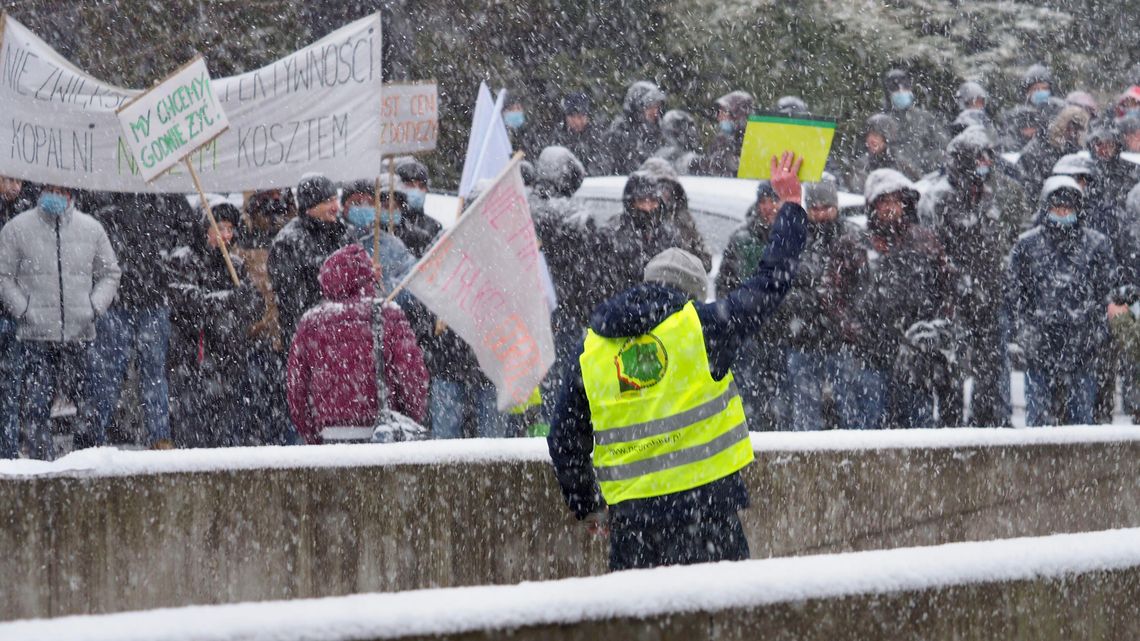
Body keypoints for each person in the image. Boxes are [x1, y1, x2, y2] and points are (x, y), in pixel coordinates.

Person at [548, 152, 807, 571]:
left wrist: (588, 504)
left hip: (633, 529)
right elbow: (771, 282)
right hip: (708, 520)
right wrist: (791, 207)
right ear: (691, 294)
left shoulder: (594, 350)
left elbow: (563, 438)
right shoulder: (702, 329)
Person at [0, 185, 120, 459]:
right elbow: (3, 275)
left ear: (70, 194)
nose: (56, 196)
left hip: (81, 333)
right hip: (35, 336)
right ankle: (43, 467)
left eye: (61, 190)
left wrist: (93, 306)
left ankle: (87, 461)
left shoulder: (91, 228)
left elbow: (110, 273)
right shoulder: (17, 228)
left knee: (92, 403)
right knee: (35, 407)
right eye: (51, 189)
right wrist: (24, 309)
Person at [918, 128, 1026, 427]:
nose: (987, 163)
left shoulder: (990, 193)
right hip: (951, 298)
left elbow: (1000, 242)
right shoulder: (938, 198)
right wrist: (956, 283)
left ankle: (986, 424)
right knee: (950, 365)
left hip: (988, 295)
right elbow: (932, 252)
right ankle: (951, 429)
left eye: (989, 156)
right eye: (980, 157)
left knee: (989, 366)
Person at [839, 169, 957, 429]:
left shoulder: (926, 242)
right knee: (871, 430)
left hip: (916, 356)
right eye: (884, 202)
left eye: (895, 201)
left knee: (918, 429)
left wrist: (936, 328)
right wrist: (852, 329)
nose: (890, 208)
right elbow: (834, 292)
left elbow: (948, 286)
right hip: (870, 355)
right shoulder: (855, 244)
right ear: (872, 206)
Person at [287, 244, 427, 444]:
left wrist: (312, 435)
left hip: (330, 435)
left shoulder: (310, 322)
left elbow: (297, 388)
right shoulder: (387, 314)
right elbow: (411, 375)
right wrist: (409, 417)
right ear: (367, 275)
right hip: (382, 432)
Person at [1007, 176, 1116, 426]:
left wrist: (1095, 332)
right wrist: (1026, 330)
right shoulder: (1027, 245)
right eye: (1058, 207)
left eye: (1069, 208)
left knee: (1082, 419)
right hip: (1040, 342)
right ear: (1047, 208)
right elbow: (1015, 293)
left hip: (1082, 344)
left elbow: (1105, 292)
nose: (1063, 213)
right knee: (1038, 420)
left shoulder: (1096, 244)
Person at [83, 193, 178, 450]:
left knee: (144, 376)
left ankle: (155, 438)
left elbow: (183, 239)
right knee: (109, 377)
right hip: (120, 300)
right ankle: (96, 440)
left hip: (146, 299)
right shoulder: (107, 196)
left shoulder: (164, 198)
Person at [166, 203, 265, 448]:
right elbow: (187, 302)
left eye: (230, 229)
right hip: (193, 362)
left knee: (227, 436)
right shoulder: (183, 260)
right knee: (192, 436)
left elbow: (255, 308)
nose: (226, 235)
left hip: (228, 362)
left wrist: (248, 301)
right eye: (219, 228)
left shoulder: (235, 265)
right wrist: (228, 300)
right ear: (204, 229)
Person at [775, 178, 868, 431]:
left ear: (836, 206)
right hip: (803, 337)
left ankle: (855, 455)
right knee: (805, 409)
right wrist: (805, 303)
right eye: (815, 208)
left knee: (850, 405)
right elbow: (782, 283)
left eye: (827, 207)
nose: (821, 213)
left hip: (842, 339)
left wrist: (845, 314)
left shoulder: (853, 237)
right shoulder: (797, 237)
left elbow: (863, 286)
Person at [716, 180, 789, 429]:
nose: (770, 207)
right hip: (747, 337)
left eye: (775, 200)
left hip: (784, 335)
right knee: (747, 400)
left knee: (782, 403)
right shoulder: (741, 239)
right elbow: (724, 286)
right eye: (765, 201)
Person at [268, 174, 347, 344]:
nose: (335, 207)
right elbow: (291, 302)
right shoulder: (288, 242)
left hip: (345, 335)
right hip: (311, 338)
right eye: (327, 201)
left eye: (335, 199)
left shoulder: (342, 232)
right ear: (309, 207)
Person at [340, 179, 416, 296]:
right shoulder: (332, 239)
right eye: (357, 203)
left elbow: (411, 280)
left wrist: (382, 287)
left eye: (369, 203)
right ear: (344, 206)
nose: (364, 207)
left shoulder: (391, 244)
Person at [879, 68, 947, 174]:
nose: (901, 92)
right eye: (895, 89)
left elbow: (942, 145)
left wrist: (929, 162)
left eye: (905, 87)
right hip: (895, 180)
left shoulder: (925, 117)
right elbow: (875, 154)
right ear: (888, 94)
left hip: (927, 179)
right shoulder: (881, 122)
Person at [1016, 105, 1090, 202]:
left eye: (1078, 128)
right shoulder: (1038, 149)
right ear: (1062, 125)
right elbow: (1030, 184)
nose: (1073, 132)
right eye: (1071, 126)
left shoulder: (1080, 154)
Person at [601, 80, 666, 175]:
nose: (655, 112)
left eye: (657, 107)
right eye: (649, 107)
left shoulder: (660, 130)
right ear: (638, 108)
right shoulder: (619, 132)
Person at [843, 114, 921, 192]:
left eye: (876, 135)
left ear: (886, 139)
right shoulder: (859, 166)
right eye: (868, 136)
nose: (870, 140)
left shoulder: (904, 165)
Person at [393, 159, 443, 258]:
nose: (416, 191)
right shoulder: (390, 221)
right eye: (410, 185)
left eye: (421, 186)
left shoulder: (434, 227)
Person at [549, 92, 606, 175]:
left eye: (580, 116)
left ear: (587, 117)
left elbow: (601, 168)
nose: (577, 122)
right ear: (565, 117)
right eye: (572, 117)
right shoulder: (558, 136)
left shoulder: (597, 137)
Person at [702, 90, 754, 177]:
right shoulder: (723, 139)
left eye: (724, 113)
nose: (719, 117)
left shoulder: (749, 140)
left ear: (738, 115)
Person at [653, 110, 703, 175]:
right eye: (685, 128)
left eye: (691, 128)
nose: (690, 133)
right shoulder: (662, 156)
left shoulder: (693, 159)